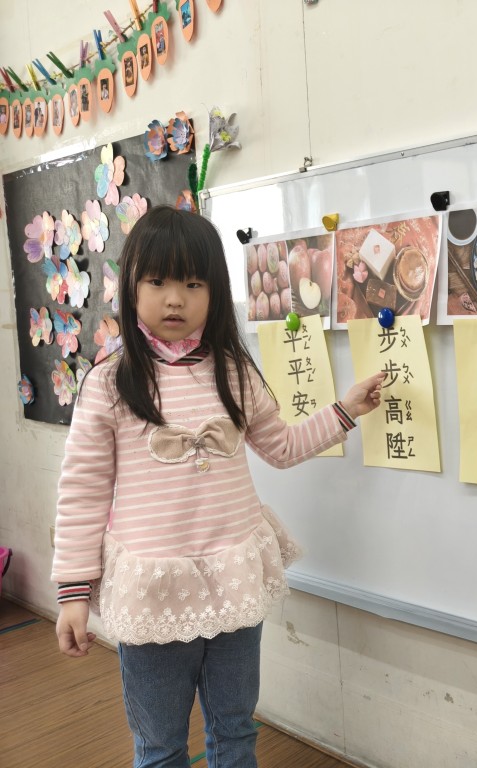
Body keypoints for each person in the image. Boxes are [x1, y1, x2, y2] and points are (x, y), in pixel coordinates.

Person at [51, 206, 385, 768]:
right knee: (161, 746)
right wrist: (73, 593)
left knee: (235, 731)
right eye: (157, 282)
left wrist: (345, 410)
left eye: (193, 284)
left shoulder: (234, 370)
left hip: (233, 580)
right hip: (154, 592)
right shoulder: (110, 383)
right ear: (131, 287)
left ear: (215, 292)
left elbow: (282, 447)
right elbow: (82, 493)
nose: (174, 299)